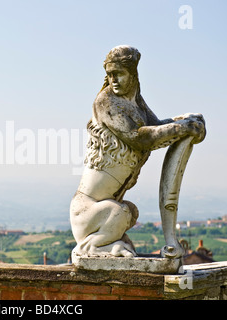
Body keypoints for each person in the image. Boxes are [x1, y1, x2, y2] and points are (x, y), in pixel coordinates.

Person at [70, 45, 206, 257]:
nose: (113, 80)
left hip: (104, 207)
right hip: (88, 210)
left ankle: (106, 242)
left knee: (130, 212)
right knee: (120, 212)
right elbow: (140, 137)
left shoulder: (135, 102)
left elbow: (157, 126)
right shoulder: (105, 101)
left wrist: (184, 120)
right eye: (109, 75)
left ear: (132, 74)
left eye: (119, 74)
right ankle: (92, 246)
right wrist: (182, 127)